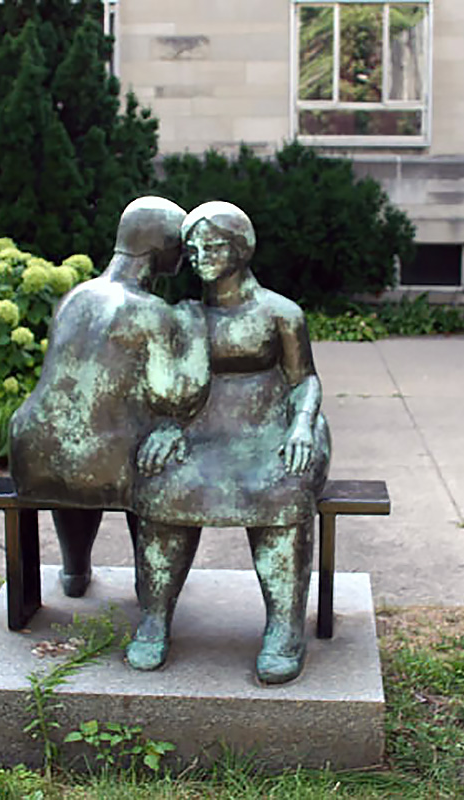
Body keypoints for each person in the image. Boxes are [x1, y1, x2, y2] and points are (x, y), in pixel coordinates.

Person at [129, 201, 331, 684]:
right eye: (194, 248)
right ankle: (154, 617)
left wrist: (302, 425)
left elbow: (304, 380)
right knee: (163, 485)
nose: (202, 256)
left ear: (241, 249)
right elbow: (165, 384)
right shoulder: (184, 316)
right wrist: (168, 423)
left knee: (282, 490)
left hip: (272, 426)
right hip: (200, 428)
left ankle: (284, 627)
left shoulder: (280, 312)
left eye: (215, 246)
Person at [9, 196, 208, 597]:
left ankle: (75, 571)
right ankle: (150, 581)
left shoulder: (76, 297)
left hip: (31, 450)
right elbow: (172, 395)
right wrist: (196, 331)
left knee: (81, 443)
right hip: (102, 463)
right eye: (180, 247)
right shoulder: (152, 311)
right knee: (158, 452)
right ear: (158, 248)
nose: (186, 258)